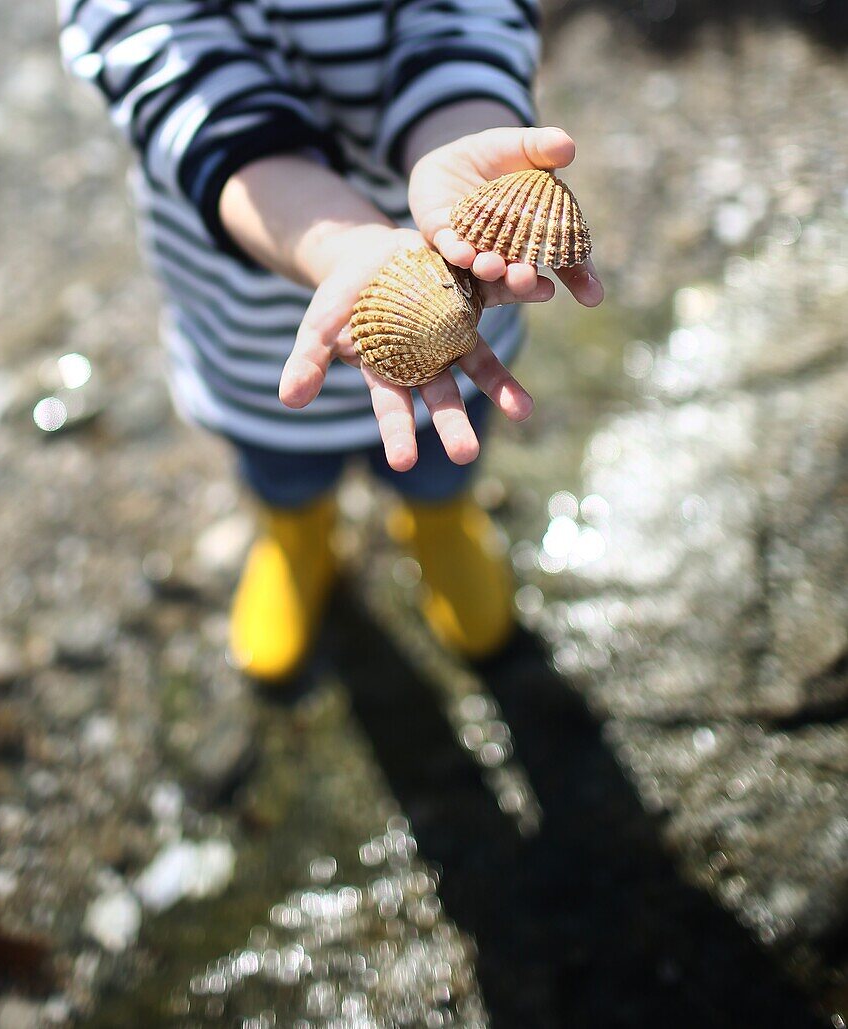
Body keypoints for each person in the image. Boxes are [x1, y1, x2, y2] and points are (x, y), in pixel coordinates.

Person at [58, 0, 603, 682]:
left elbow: (472, 12)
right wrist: (336, 242)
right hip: (251, 302)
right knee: (282, 469)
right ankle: (296, 540)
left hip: (451, 263)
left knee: (443, 458)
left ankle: (440, 525)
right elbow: (167, 61)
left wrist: (460, 138)